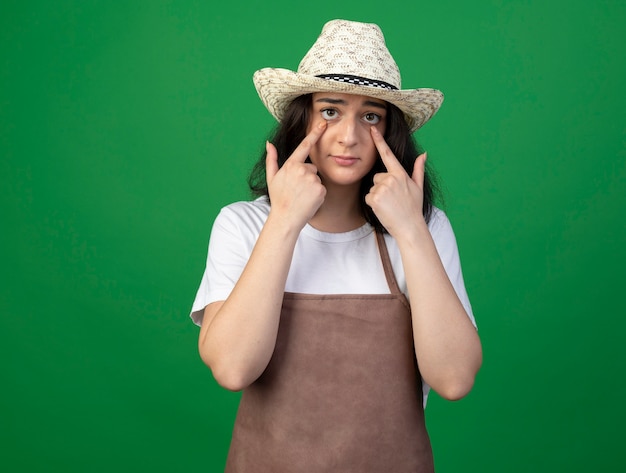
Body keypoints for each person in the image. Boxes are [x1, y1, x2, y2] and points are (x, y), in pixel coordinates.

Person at [190, 19, 482, 472]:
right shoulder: (243, 224)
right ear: (300, 118)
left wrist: (410, 231)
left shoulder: (424, 229)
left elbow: (455, 379)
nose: (349, 136)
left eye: (370, 115)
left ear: (391, 131)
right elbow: (232, 368)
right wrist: (285, 220)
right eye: (330, 111)